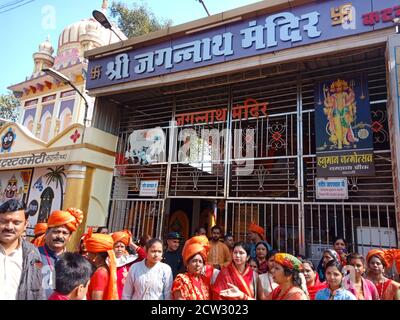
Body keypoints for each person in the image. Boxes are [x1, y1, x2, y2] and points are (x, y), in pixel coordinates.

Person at [0, 199, 45, 300]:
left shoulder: (33, 253)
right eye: (3, 221)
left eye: (16, 223)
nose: (9, 227)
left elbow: (38, 289)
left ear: (25, 224)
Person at [38, 208, 83, 298]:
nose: (60, 236)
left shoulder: (74, 261)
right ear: (46, 233)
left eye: (65, 233)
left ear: (69, 237)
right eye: (56, 231)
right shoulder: (34, 254)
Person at [172, 235, 215, 300]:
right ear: (187, 264)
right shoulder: (181, 279)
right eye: (194, 261)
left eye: (200, 262)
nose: (197, 264)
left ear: (203, 265)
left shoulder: (205, 280)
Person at [85, 228, 119, 300]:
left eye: (89, 253)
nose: (87, 255)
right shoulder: (103, 269)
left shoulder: (100, 273)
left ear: (96, 255)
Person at [112, 230, 146, 299]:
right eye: (117, 246)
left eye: (122, 247)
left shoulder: (128, 261)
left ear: (125, 248)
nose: (119, 249)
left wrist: (131, 244)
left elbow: (144, 256)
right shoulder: (107, 261)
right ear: (112, 247)